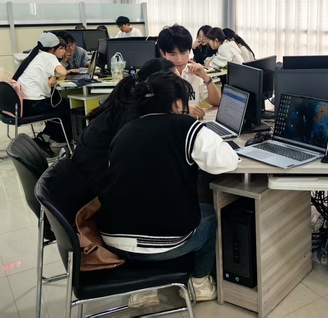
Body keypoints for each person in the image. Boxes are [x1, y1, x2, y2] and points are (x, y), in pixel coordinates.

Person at [97, 71, 238, 306]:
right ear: (177, 103)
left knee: (144, 211)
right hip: (161, 245)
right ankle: (200, 284)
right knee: (209, 216)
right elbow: (227, 162)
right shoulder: (185, 126)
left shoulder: (125, 130)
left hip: (111, 239)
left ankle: (143, 287)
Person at [72, 58, 177, 197]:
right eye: (176, 84)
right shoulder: (133, 115)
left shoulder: (130, 103)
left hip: (90, 178)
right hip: (98, 190)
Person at [13, 33, 80, 154]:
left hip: (23, 103)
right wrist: (64, 71)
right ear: (52, 49)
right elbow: (62, 72)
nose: (64, 51)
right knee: (67, 110)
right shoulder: (48, 56)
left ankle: (44, 138)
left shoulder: (35, 54)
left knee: (58, 105)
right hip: (34, 104)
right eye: (61, 48)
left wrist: (55, 74)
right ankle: (64, 142)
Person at [157, 25, 221, 118]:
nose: (179, 60)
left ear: (189, 51)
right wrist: (182, 111)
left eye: (183, 53)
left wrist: (205, 77)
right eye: (173, 54)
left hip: (193, 125)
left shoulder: (193, 73)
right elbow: (151, 114)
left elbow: (217, 102)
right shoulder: (156, 76)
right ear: (163, 53)